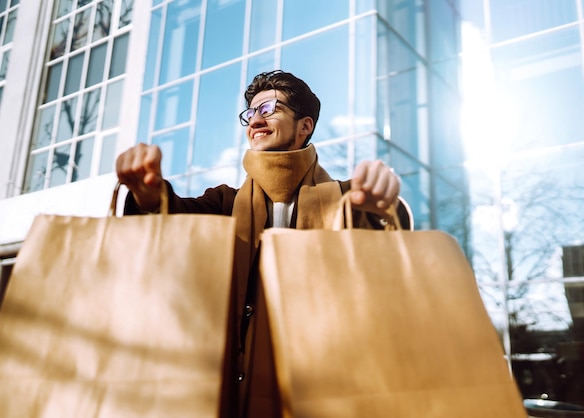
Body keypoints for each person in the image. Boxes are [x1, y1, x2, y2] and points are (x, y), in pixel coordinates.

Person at [116, 70, 409, 417]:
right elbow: (172, 220)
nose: (256, 119)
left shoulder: (347, 198)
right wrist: (149, 196)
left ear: (305, 126)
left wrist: (379, 208)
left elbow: (387, 249)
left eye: (269, 108)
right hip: (236, 387)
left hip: (325, 386)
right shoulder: (223, 203)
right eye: (250, 113)